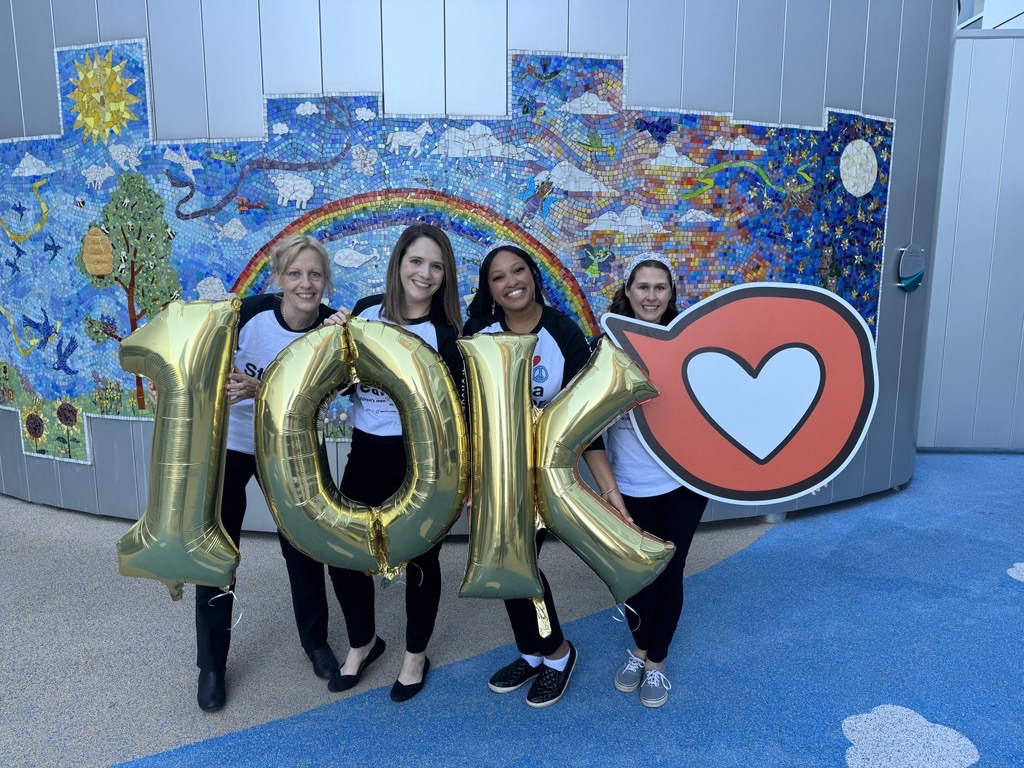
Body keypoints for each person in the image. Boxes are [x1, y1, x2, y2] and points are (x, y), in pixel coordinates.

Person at [463, 244, 627, 709]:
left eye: (519, 270)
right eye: (499, 276)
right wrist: (472, 480)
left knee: (521, 567)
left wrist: (607, 488)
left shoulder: (561, 332)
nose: (511, 281)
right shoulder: (480, 333)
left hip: (546, 476)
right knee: (503, 567)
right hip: (496, 478)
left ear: (533, 276)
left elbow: (586, 420)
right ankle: (532, 653)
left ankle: (557, 653)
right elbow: (470, 416)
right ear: (489, 288)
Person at [192, 234, 346, 712]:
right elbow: (193, 349)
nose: (306, 283)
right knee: (217, 553)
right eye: (296, 274)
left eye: (315, 274)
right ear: (278, 278)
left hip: (289, 449)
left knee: (304, 547)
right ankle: (212, 665)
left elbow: (330, 399)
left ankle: (316, 643)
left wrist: (263, 387)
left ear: (326, 281)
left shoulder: (333, 328)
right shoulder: (250, 312)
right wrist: (166, 383)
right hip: (234, 443)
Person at [324, 223, 464, 702]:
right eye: (416, 261)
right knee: (344, 555)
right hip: (365, 453)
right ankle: (364, 642)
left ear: (445, 276)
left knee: (421, 560)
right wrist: (328, 344)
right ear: (398, 262)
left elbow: (459, 414)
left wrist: (462, 479)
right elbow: (340, 383)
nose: (424, 274)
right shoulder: (365, 313)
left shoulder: (447, 335)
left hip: (421, 464)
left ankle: (414, 655)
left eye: (436, 266)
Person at [602, 257, 708, 709]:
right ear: (627, 291)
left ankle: (654, 662)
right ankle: (640, 649)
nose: (650, 296)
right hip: (629, 486)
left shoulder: (691, 348)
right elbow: (586, 432)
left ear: (671, 294)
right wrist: (609, 490)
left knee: (670, 572)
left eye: (659, 288)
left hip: (684, 486)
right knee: (637, 577)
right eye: (642, 287)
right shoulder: (605, 348)